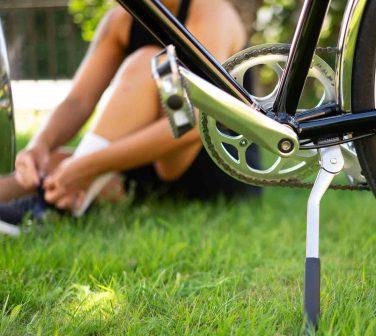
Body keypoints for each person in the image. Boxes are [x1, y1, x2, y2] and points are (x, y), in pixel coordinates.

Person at [0, 0, 260, 236]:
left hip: (213, 164)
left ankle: (55, 205)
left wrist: (88, 166)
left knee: (149, 62)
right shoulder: (120, 20)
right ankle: (59, 195)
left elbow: (195, 124)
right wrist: (39, 146)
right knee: (47, 168)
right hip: (145, 162)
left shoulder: (211, 13)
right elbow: (77, 102)